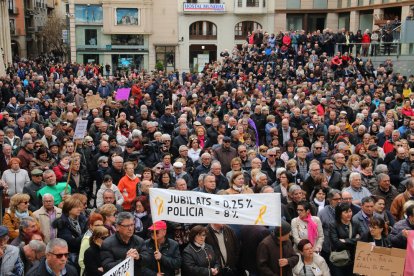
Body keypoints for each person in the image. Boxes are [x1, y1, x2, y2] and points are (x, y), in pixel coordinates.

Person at [52, 197, 88, 271]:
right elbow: (71, 243)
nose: (79, 209)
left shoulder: (82, 219)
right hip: (72, 254)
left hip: (83, 251)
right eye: (76, 207)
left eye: (79, 207)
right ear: (68, 209)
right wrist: (86, 235)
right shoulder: (62, 223)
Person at [329, 203, 361, 276]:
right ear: (339, 213)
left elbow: (361, 239)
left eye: (350, 211)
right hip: (340, 259)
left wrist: (346, 241)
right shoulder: (333, 225)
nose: (349, 214)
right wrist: (354, 241)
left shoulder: (355, 223)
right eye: (345, 212)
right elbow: (337, 244)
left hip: (353, 258)